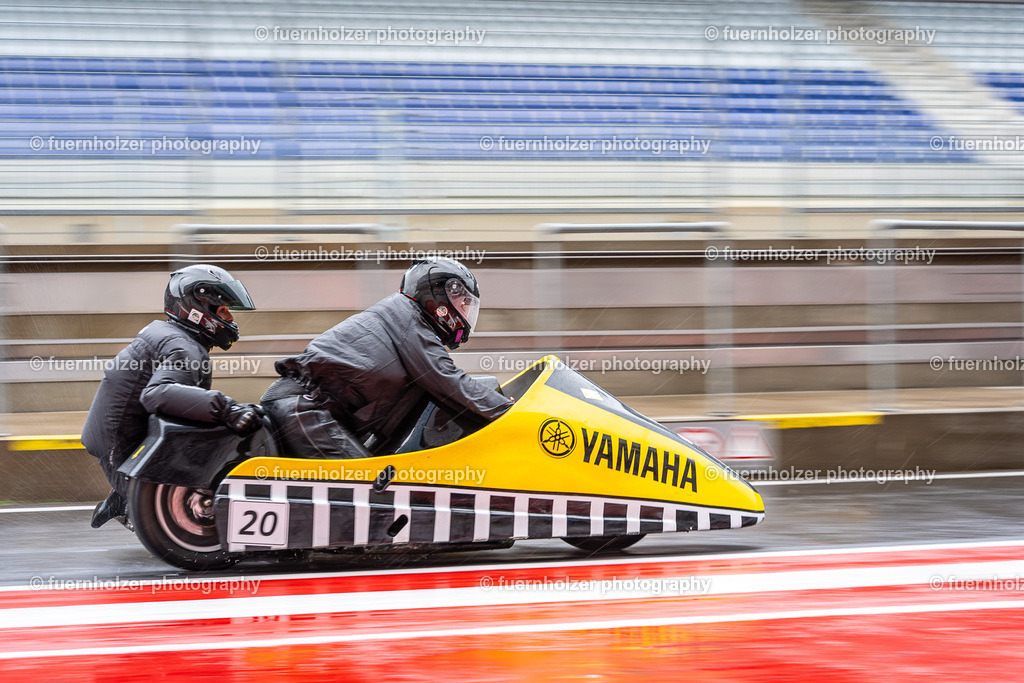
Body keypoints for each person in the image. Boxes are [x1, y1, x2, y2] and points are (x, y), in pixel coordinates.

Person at [262, 258, 512, 459]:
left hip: (306, 410)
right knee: (361, 490)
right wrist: (511, 412)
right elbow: (446, 379)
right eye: (463, 303)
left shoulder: (408, 320)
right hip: (303, 408)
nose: (466, 312)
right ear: (440, 296)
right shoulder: (408, 317)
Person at [82, 264, 263, 530]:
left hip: (122, 441)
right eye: (224, 311)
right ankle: (126, 499)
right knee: (177, 530)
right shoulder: (184, 347)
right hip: (123, 449)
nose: (231, 320)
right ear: (197, 309)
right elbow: (158, 394)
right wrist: (229, 409)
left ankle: (123, 498)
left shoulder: (173, 337)